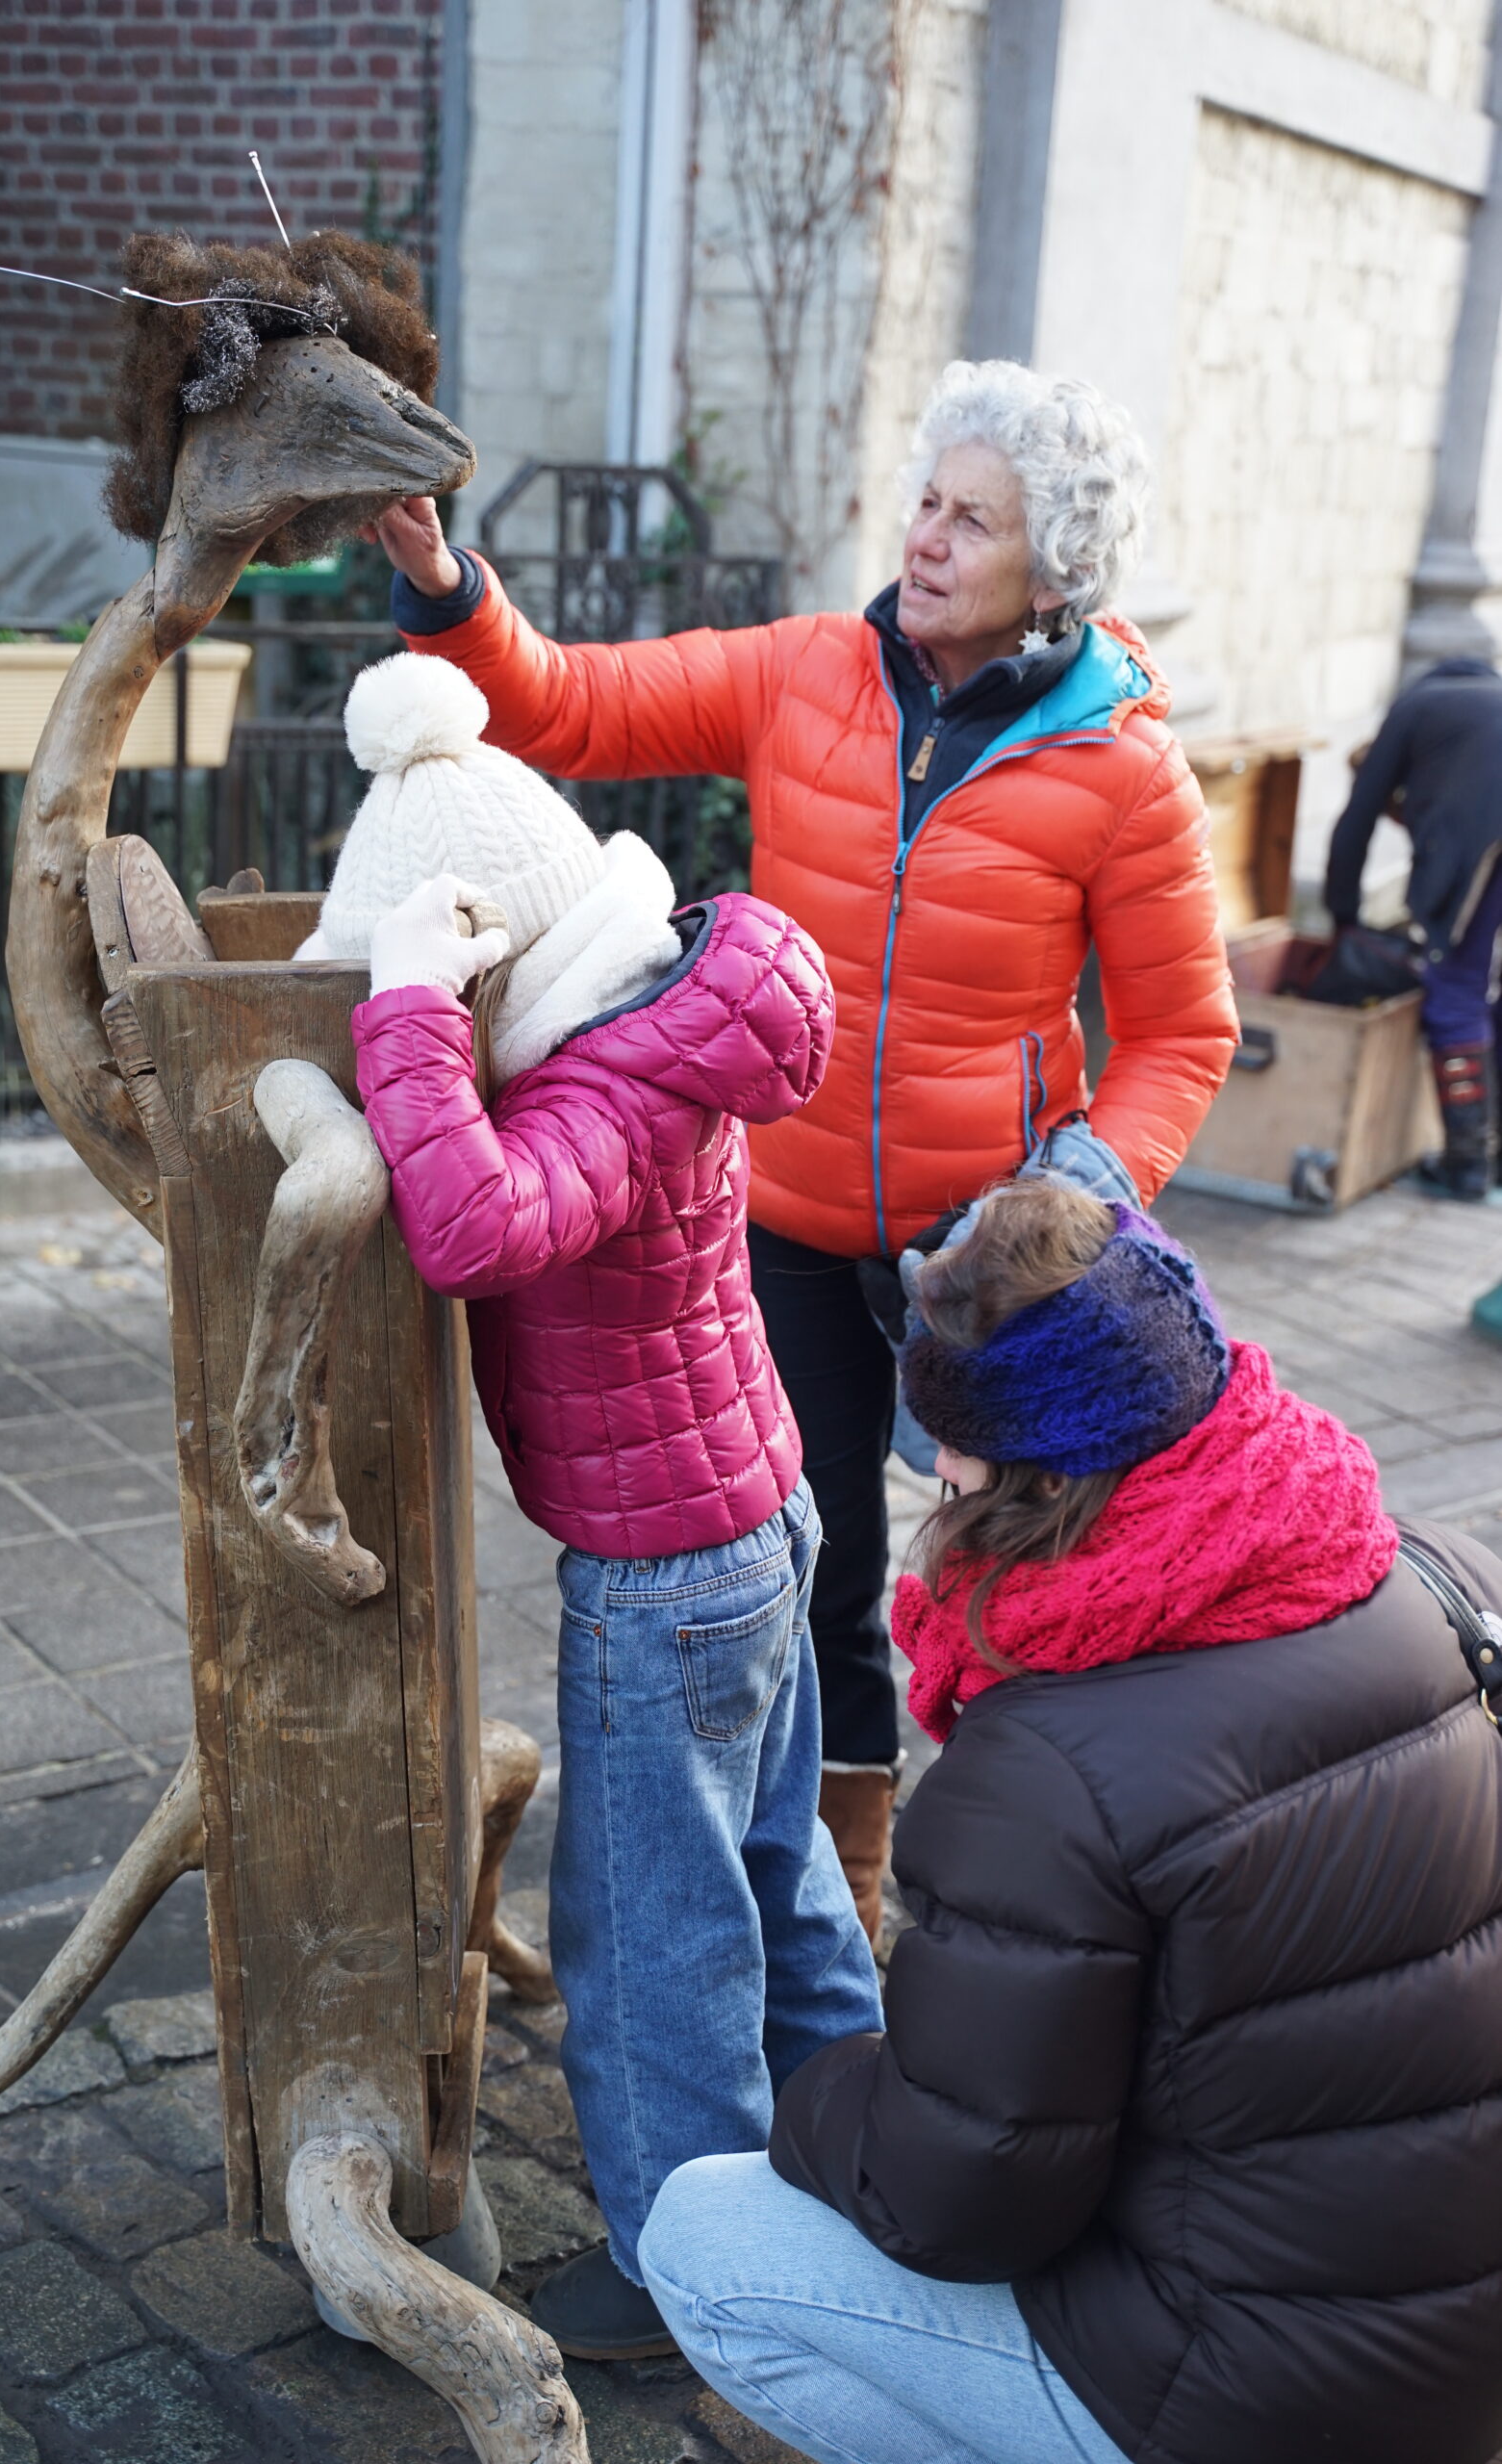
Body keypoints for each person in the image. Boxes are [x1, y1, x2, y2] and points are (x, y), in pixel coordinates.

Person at [368, 360, 1237, 1939]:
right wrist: (447, 586)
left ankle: (1055, 1886)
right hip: (776, 1225)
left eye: (973, 519)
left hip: (992, 1256)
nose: (925, 537)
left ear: (1057, 566)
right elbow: (565, 700)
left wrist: (1081, 1190)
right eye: (924, 500)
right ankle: (836, 1896)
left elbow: (1183, 1033)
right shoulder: (803, 674)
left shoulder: (1124, 772)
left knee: (1024, 1572)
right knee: (820, 1575)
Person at [636, 1177, 1502, 2464]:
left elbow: (957, 2203)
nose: (934, 1466)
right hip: (1453, 2327)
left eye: (949, 1435)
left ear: (1024, 1469)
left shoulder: (1048, 1759)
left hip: (1261, 2394)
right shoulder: (1424, 1567)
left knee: (699, 2235)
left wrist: (820, 2092)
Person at [326, 653, 883, 2360]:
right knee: (771, 1873)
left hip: (666, 1575)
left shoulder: (594, 1088)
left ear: (503, 959)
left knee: (647, 1938)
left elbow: (475, 1229)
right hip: (750, 1521)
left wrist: (408, 1010)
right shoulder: (665, 1032)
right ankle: (874, 2152)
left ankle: (682, 2271)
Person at [1325, 654, 1502, 1199]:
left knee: (1454, 993)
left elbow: (1356, 820)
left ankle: (1467, 1165)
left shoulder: (1414, 707)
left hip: (1484, 844)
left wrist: (1345, 919)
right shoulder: (1482, 705)